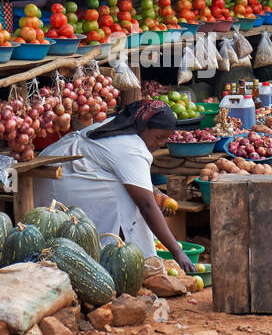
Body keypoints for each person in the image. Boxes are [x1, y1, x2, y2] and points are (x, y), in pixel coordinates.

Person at [32, 99, 193, 271]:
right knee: (128, 199)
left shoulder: (120, 126)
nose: (161, 144)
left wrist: (156, 193)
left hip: (55, 170)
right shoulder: (132, 147)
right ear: (143, 126)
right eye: (159, 137)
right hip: (58, 179)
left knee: (133, 194)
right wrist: (177, 252)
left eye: (165, 139)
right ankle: (113, 261)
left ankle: (117, 258)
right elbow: (146, 205)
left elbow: (127, 174)